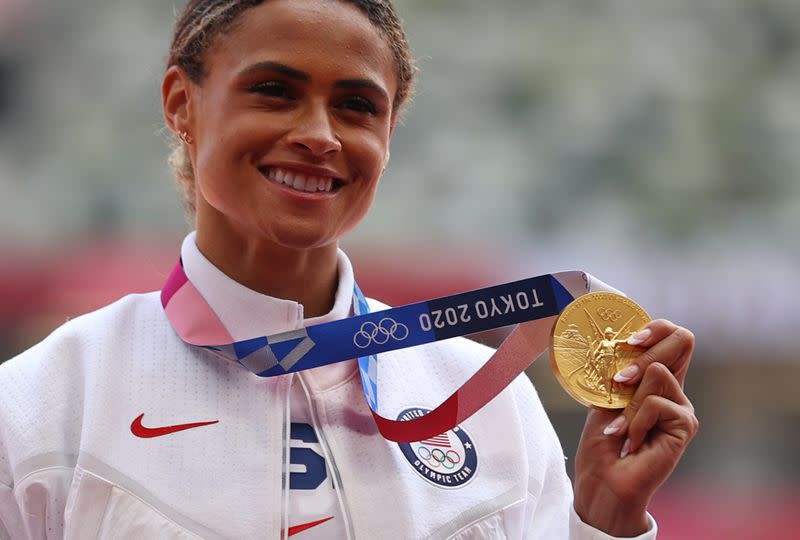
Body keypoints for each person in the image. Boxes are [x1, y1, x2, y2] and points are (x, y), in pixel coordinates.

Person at [0, 0, 699, 538]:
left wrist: (604, 518)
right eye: (274, 90)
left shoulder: (491, 407)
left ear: (389, 134)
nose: (319, 134)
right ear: (182, 105)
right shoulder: (46, 403)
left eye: (357, 106)